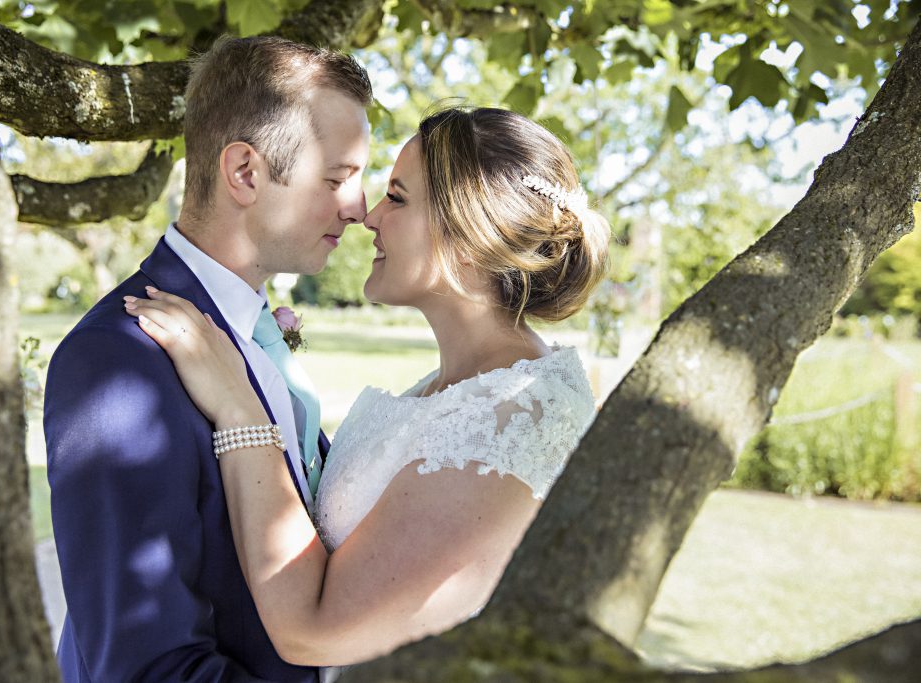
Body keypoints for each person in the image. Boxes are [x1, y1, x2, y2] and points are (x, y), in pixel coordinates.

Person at [123, 106, 612, 666]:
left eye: (398, 198)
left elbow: (315, 631)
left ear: (473, 239)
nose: (368, 216)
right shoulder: (456, 388)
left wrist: (240, 411)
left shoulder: (512, 418)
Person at [43, 35, 372, 682]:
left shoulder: (256, 331)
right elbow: (149, 668)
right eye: (337, 178)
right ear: (245, 172)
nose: (359, 208)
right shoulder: (117, 360)